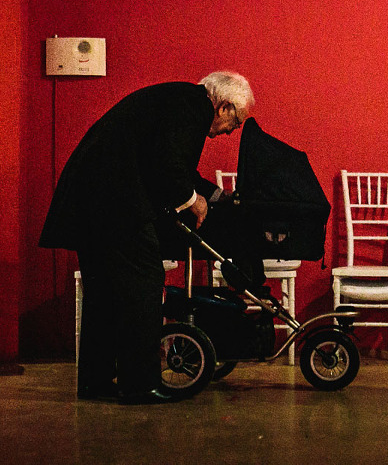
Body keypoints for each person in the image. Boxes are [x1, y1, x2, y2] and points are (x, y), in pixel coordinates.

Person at [39, 71, 254, 404]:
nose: (229, 132)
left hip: (92, 203)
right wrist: (192, 201)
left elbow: (178, 168)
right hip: (116, 207)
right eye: (235, 123)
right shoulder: (194, 108)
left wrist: (215, 196)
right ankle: (140, 384)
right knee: (144, 284)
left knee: (104, 295)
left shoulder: (178, 99)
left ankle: (95, 382)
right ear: (224, 107)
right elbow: (168, 167)